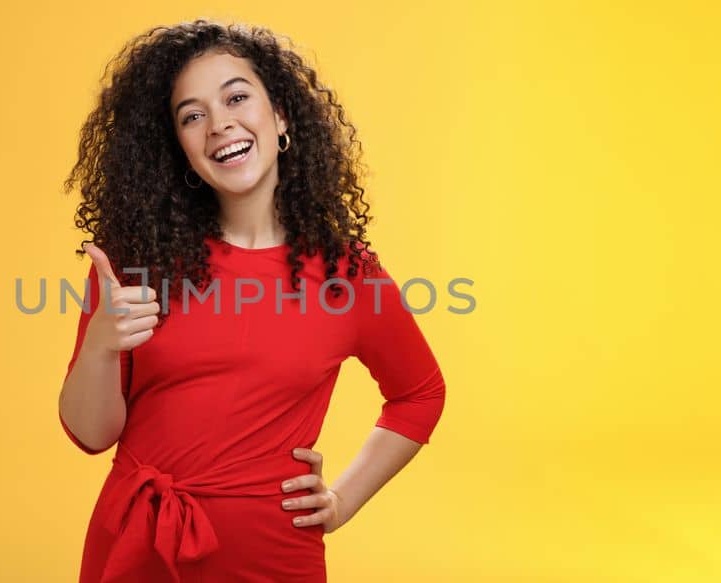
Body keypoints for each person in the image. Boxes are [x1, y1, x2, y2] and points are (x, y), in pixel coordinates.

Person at [57, 20, 446, 582]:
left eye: (237, 97)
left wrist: (341, 500)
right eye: (192, 115)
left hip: (274, 558)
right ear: (178, 146)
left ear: (281, 115)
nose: (220, 125)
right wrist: (98, 346)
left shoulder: (347, 275)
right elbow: (91, 435)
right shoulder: (133, 263)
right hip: (136, 549)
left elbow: (420, 394)